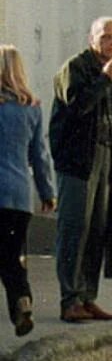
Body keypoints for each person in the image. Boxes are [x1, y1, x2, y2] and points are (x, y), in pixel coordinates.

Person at [49, 15, 112, 323]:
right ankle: (69, 298)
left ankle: (87, 297)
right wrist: (103, 79)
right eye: (106, 36)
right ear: (92, 39)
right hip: (78, 160)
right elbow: (77, 107)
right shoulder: (76, 68)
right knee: (74, 229)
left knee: (96, 230)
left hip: (106, 156)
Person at [0, 45, 55, 337]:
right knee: (11, 254)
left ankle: (21, 302)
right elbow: (39, 156)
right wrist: (47, 192)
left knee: (6, 257)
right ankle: (22, 302)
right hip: (19, 196)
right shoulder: (32, 108)